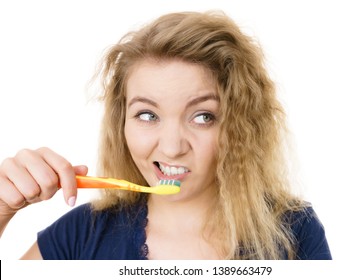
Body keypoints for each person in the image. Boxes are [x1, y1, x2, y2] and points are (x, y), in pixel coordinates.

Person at [0, 11, 331, 260]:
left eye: (203, 117)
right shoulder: (80, 235)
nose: (172, 148)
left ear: (239, 126)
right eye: (148, 115)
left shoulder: (295, 232)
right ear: (122, 123)